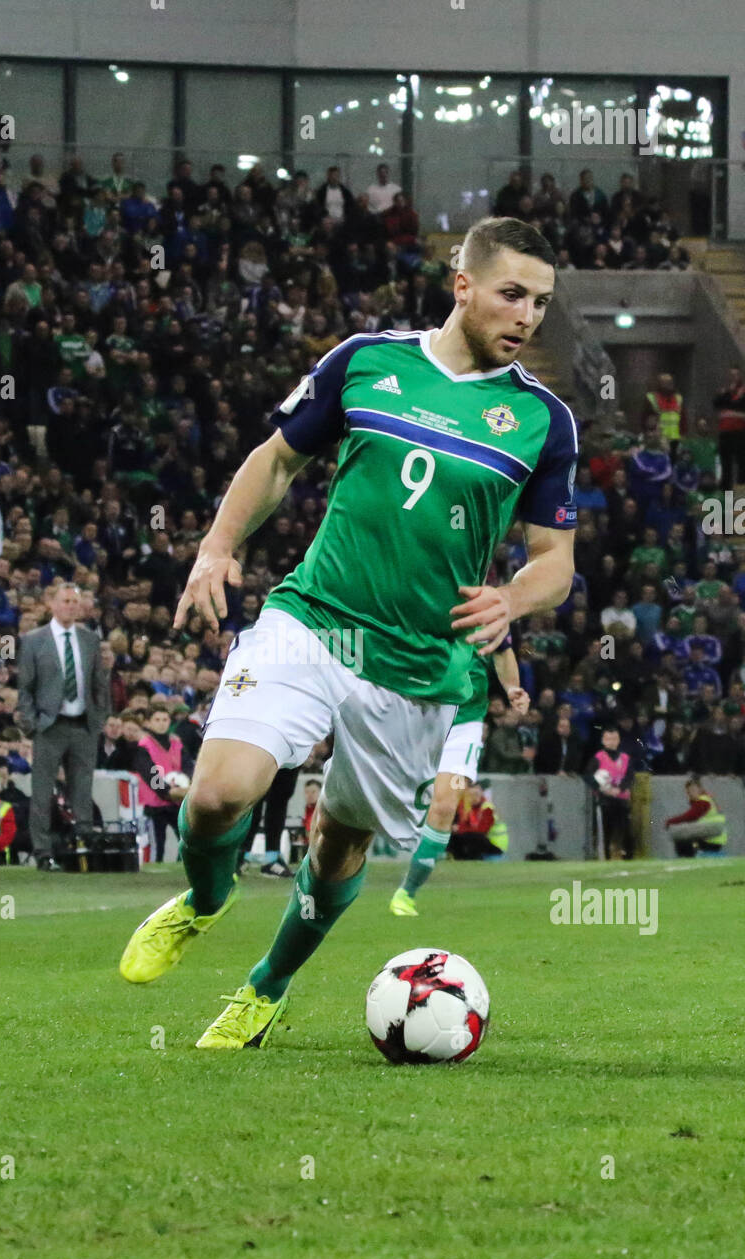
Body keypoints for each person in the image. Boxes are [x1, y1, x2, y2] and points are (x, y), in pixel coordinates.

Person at [117, 215, 576, 1050]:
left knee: (336, 844)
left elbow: (554, 560)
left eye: (541, 302)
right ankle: (204, 900)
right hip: (315, 620)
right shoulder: (367, 361)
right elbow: (277, 458)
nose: (527, 316)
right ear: (462, 284)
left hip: (419, 665)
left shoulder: (543, 421)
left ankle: (267, 986)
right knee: (219, 791)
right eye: (513, 294)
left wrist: (514, 599)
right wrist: (218, 547)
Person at [390, 634, 527, 915]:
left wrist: (512, 688)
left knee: (444, 807)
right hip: (418, 713)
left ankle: (407, 893)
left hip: (465, 723)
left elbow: (502, 649)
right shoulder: (422, 595)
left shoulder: (487, 607)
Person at [16, 582, 110, 871]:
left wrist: (100, 718)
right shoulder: (33, 640)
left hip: (83, 723)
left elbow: (99, 683)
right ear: (52, 604)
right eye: (65, 601)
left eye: (74, 601)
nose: (70, 606)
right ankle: (43, 851)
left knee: (83, 787)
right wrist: (31, 724)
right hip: (50, 724)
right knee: (42, 791)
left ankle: (83, 842)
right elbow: (25, 688)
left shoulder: (90, 640)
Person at [131, 708, 186, 863]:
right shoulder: (144, 745)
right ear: (148, 722)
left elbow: (187, 765)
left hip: (177, 801)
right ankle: (156, 868)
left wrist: (185, 783)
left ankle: (181, 864)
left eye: (165, 720)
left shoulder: (177, 742)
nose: (162, 724)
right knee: (157, 842)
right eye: (157, 720)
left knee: (185, 838)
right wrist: (167, 791)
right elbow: (149, 773)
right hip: (155, 803)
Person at [584, 726, 634, 859]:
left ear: (618, 740)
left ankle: (629, 858)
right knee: (605, 832)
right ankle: (604, 857)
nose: (611, 742)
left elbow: (630, 776)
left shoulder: (625, 758)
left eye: (614, 739)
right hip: (604, 801)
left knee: (626, 831)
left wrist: (619, 789)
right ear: (603, 741)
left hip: (622, 799)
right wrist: (603, 789)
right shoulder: (598, 758)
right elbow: (588, 776)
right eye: (608, 739)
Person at [664, 777, 727, 857]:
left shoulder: (703, 801)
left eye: (693, 790)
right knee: (685, 836)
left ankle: (688, 858)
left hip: (711, 838)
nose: (690, 793)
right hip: (715, 838)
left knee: (682, 838)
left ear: (700, 789)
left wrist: (670, 822)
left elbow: (690, 816)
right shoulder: (708, 799)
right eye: (688, 791)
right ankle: (691, 855)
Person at [448, 782, 508, 859]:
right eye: (470, 795)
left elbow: (480, 828)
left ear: (481, 794)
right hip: (485, 843)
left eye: (476, 794)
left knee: (471, 836)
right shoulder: (469, 807)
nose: (473, 797)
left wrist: (458, 828)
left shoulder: (487, 807)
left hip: (494, 845)